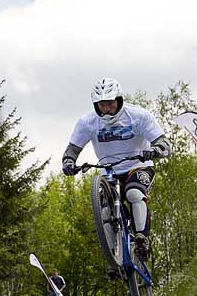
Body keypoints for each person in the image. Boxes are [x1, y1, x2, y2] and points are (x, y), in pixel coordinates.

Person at [62, 77, 172, 262]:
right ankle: (114, 255)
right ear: (96, 105)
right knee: (104, 210)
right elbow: (72, 149)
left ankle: (142, 238)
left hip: (138, 166)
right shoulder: (87, 122)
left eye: (111, 103)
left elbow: (164, 143)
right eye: (102, 105)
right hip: (109, 172)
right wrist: (68, 162)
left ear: (119, 100)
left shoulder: (138, 116)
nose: (107, 109)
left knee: (134, 193)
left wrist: (156, 151)